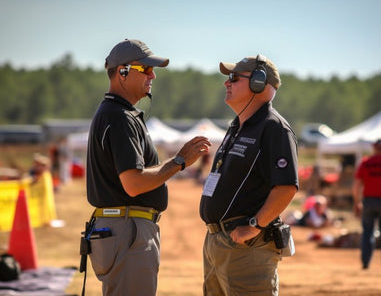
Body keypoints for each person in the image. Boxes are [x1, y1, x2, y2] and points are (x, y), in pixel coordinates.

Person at [85, 39, 211, 296]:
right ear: (122, 71)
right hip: (127, 230)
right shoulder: (120, 117)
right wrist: (180, 161)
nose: (152, 75)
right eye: (145, 69)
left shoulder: (114, 113)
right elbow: (134, 183)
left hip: (121, 228)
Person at [199, 55, 298, 296]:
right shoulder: (238, 126)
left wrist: (254, 226)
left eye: (233, 77)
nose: (227, 83)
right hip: (218, 242)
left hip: (246, 246)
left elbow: (286, 187)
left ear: (258, 82)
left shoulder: (274, 127)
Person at [352, 139, 381, 270]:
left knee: (368, 232)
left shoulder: (366, 163)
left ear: (375, 148)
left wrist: (357, 202)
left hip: (368, 201)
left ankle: (366, 263)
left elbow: (357, 185)